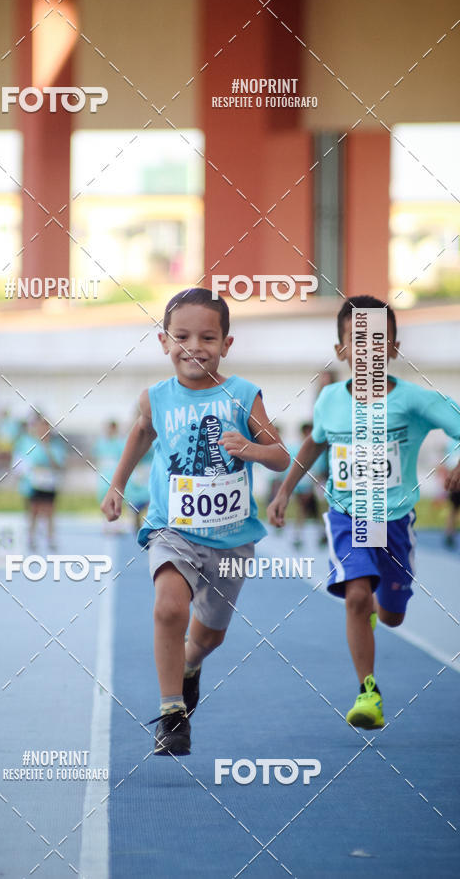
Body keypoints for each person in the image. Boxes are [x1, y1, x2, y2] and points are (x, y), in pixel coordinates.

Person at [101, 288, 289, 756]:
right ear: (163, 342)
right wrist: (117, 486)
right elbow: (141, 434)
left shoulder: (243, 395)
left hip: (231, 538)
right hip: (173, 529)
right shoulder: (156, 398)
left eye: (208, 337)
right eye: (182, 336)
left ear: (226, 344)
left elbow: (281, 455)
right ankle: (171, 715)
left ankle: (190, 665)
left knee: (209, 635)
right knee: (168, 608)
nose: (195, 346)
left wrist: (249, 449)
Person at [267, 295, 460, 730]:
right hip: (347, 513)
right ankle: (368, 692)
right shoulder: (330, 400)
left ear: (393, 348)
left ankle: (380, 602)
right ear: (341, 351)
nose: (369, 349)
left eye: (379, 340)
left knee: (391, 615)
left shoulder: (413, 400)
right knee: (355, 597)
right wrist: (284, 491)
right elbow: (315, 442)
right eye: (358, 340)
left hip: (393, 521)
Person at [14, 415, 66, 549]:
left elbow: (59, 464)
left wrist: (47, 449)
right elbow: (26, 463)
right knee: (34, 510)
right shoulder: (30, 444)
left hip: (49, 482)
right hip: (35, 482)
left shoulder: (55, 446)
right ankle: (31, 537)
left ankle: (50, 538)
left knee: (49, 511)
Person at [289, 422, 322, 548]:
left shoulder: (316, 447)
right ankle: (298, 535)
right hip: (301, 484)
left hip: (310, 484)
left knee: (313, 510)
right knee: (303, 510)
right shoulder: (296, 448)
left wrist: (316, 481)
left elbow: (318, 467)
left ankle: (317, 534)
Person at [442, 437, 460, 549]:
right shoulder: (452, 442)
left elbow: (447, 462)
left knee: (453, 509)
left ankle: (449, 534)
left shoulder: (452, 441)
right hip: (456, 482)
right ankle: (449, 534)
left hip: (455, 481)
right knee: (453, 509)